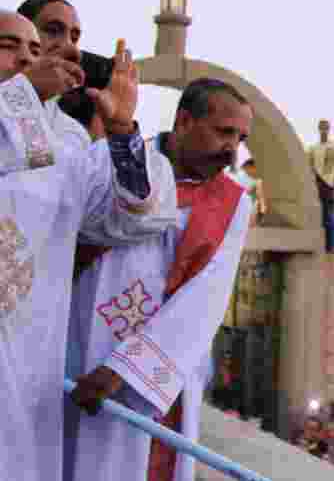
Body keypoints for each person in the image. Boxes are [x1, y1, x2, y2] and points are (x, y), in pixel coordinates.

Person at [0, 23, 177, 481]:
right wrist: (23, 94)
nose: (26, 58)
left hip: (28, 351)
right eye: (9, 46)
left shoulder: (67, 151)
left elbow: (133, 214)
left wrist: (121, 130)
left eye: (35, 50)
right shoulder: (29, 129)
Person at [64, 78, 255, 481]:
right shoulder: (105, 161)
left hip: (147, 376)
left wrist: (124, 369)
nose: (231, 149)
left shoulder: (234, 205)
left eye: (240, 138)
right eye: (224, 132)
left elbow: (204, 300)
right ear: (184, 120)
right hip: (74, 340)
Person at [17, 0, 99, 146]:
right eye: (53, 31)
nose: (71, 48)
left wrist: (122, 132)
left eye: (74, 39)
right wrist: (24, 90)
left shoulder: (73, 133)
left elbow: (37, 164)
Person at [309, 120, 334, 252]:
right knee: (319, 217)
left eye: (326, 128)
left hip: (329, 185)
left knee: (329, 217)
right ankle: (320, 247)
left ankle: (331, 248)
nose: (324, 130)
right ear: (318, 129)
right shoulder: (313, 148)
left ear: (329, 129)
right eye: (321, 128)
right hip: (317, 185)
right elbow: (310, 167)